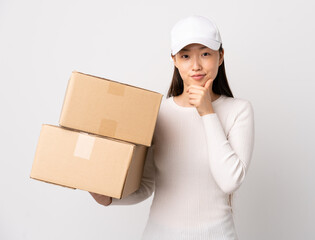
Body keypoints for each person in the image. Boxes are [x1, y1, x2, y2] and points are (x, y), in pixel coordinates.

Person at [90, 15, 255, 240]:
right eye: (185, 56)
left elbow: (229, 181)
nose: (196, 65)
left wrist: (207, 112)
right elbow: (146, 185)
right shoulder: (158, 113)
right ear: (174, 60)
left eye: (205, 53)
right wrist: (107, 198)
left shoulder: (239, 110)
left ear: (220, 56)